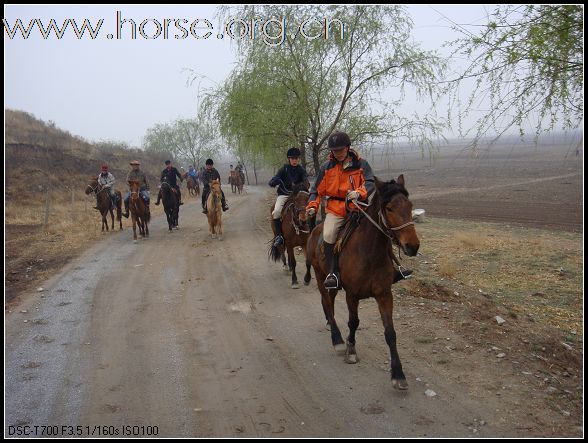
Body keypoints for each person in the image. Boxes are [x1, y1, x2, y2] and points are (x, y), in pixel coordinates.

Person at [305, 131, 377, 289]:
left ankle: (393, 266)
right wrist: (312, 206)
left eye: (340, 150)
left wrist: (359, 192)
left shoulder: (361, 164)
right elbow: (316, 191)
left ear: (348, 147)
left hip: (358, 208)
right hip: (336, 210)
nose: (337, 153)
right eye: (334, 151)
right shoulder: (327, 168)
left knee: (378, 228)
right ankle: (333, 273)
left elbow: (370, 182)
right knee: (329, 234)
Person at [268, 147, 309, 247]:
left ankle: (311, 229)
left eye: (296, 158)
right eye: (292, 158)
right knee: (277, 211)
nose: (294, 160)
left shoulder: (301, 170)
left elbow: (305, 179)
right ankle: (279, 236)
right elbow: (275, 178)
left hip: (297, 195)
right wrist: (274, 181)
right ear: (289, 159)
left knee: (310, 209)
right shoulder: (284, 169)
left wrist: (305, 183)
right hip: (284, 195)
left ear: (298, 159)